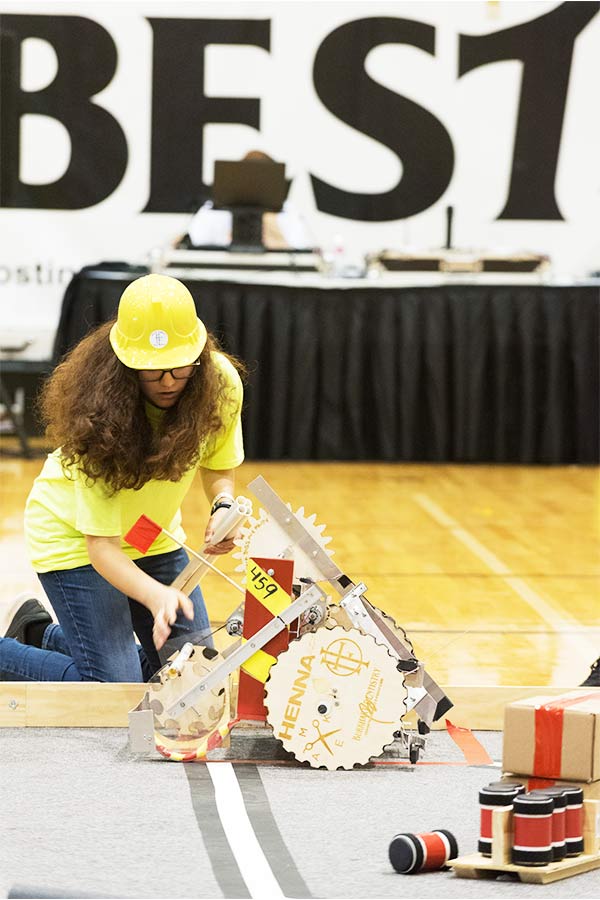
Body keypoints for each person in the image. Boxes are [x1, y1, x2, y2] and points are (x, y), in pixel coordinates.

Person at [0, 273, 245, 683]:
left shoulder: (219, 385)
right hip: (75, 542)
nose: (168, 381)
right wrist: (156, 595)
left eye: (179, 368)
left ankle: (38, 632)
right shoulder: (97, 422)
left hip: (152, 535)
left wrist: (223, 503)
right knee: (114, 690)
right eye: (152, 371)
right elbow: (101, 548)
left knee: (195, 677)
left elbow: (219, 465)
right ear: (125, 366)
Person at [180, 150, 314, 251]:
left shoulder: (286, 211)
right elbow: (193, 241)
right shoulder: (216, 209)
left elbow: (301, 249)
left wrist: (267, 219)